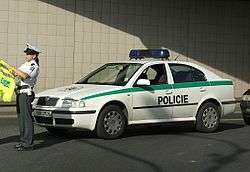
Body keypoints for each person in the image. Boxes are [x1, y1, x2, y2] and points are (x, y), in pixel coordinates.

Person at [10, 43, 40, 151]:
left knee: (26, 119)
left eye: (29, 53)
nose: (26, 55)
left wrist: (13, 68)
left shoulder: (33, 66)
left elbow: (24, 75)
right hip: (19, 92)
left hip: (26, 93)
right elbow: (15, 74)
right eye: (26, 53)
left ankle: (28, 144)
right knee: (21, 118)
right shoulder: (25, 64)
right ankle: (23, 141)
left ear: (34, 56)